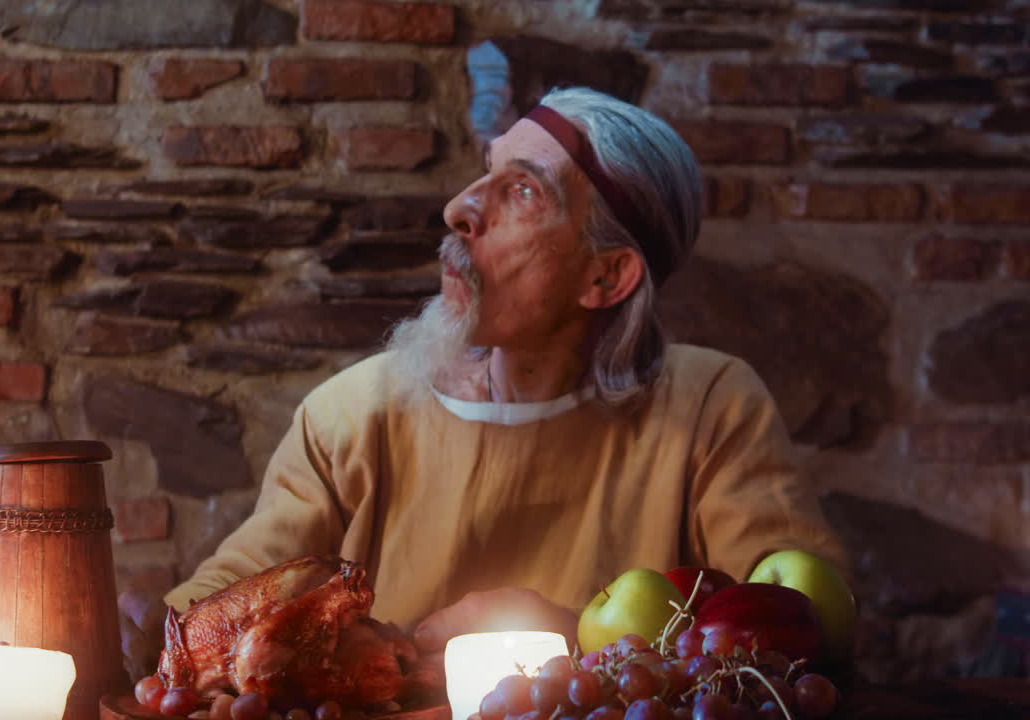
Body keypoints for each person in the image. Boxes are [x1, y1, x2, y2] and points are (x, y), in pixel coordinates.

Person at [119, 86, 850, 679]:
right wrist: (145, 627)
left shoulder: (712, 407)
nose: (460, 208)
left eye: (523, 191)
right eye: (484, 171)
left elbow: (808, 642)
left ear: (606, 275)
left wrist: (574, 641)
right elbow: (234, 594)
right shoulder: (352, 415)